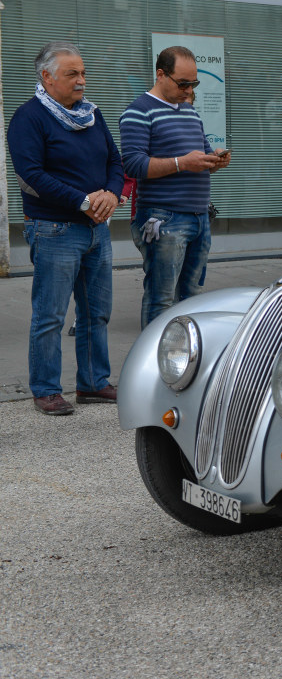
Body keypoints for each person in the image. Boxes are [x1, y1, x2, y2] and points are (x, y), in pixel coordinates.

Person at [9, 41, 123, 415]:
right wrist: (86, 201)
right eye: (72, 74)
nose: (81, 81)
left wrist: (111, 194)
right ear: (47, 76)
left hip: (96, 229)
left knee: (96, 313)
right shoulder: (29, 117)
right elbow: (32, 175)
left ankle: (93, 383)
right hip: (54, 229)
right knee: (51, 315)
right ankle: (45, 389)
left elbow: (115, 161)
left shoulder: (92, 115)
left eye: (83, 73)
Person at [121, 45, 231, 329]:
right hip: (164, 218)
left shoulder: (190, 112)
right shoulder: (138, 111)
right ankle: (152, 356)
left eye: (193, 84)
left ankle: (183, 354)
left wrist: (214, 160)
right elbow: (133, 165)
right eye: (183, 83)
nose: (188, 90)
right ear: (161, 75)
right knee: (161, 299)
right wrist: (183, 163)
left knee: (192, 297)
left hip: (198, 216)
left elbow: (200, 155)